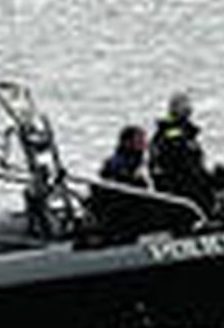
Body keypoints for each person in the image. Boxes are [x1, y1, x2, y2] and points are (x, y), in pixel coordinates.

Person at [149, 92, 214, 222]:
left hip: (185, 189)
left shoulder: (174, 134)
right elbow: (185, 167)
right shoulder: (174, 136)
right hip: (183, 191)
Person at [90, 125, 150, 239]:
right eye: (139, 141)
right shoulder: (120, 163)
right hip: (121, 209)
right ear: (128, 143)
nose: (144, 145)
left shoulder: (135, 162)